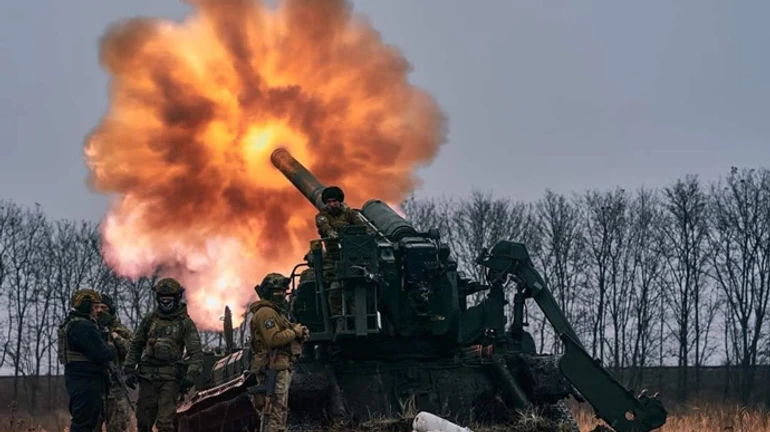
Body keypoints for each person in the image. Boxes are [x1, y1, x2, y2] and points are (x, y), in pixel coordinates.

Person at [122, 278, 203, 432]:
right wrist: (129, 368)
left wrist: (191, 375)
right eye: (163, 299)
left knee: (165, 423)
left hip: (170, 378)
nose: (166, 302)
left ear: (176, 298)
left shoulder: (185, 323)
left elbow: (196, 353)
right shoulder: (150, 319)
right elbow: (136, 345)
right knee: (143, 422)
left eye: (169, 299)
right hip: (148, 377)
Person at [249, 273, 309, 432]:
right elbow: (274, 339)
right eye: (279, 291)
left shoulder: (276, 313)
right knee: (273, 412)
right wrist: (294, 332)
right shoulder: (266, 313)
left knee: (278, 411)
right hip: (272, 367)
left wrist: (299, 332)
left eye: (284, 290)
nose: (282, 294)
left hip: (279, 365)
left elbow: (288, 331)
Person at [57, 288, 116, 432]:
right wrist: (112, 348)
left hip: (80, 379)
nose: (99, 311)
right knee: (85, 423)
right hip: (86, 381)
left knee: (86, 420)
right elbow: (102, 353)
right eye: (95, 307)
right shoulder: (83, 326)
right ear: (86, 307)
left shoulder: (72, 323)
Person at [313, 185, 366, 325]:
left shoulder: (350, 214)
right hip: (333, 260)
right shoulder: (322, 216)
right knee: (335, 290)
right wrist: (331, 233)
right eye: (329, 202)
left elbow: (362, 228)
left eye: (334, 201)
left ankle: (357, 320)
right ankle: (339, 320)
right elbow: (324, 226)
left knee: (356, 289)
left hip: (352, 259)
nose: (332, 204)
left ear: (340, 201)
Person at [96, 293, 134, 432]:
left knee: (118, 425)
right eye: (97, 307)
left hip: (115, 385)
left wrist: (115, 337)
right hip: (94, 384)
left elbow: (132, 350)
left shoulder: (120, 329)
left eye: (104, 307)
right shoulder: (89, 329)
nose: (100, 311)